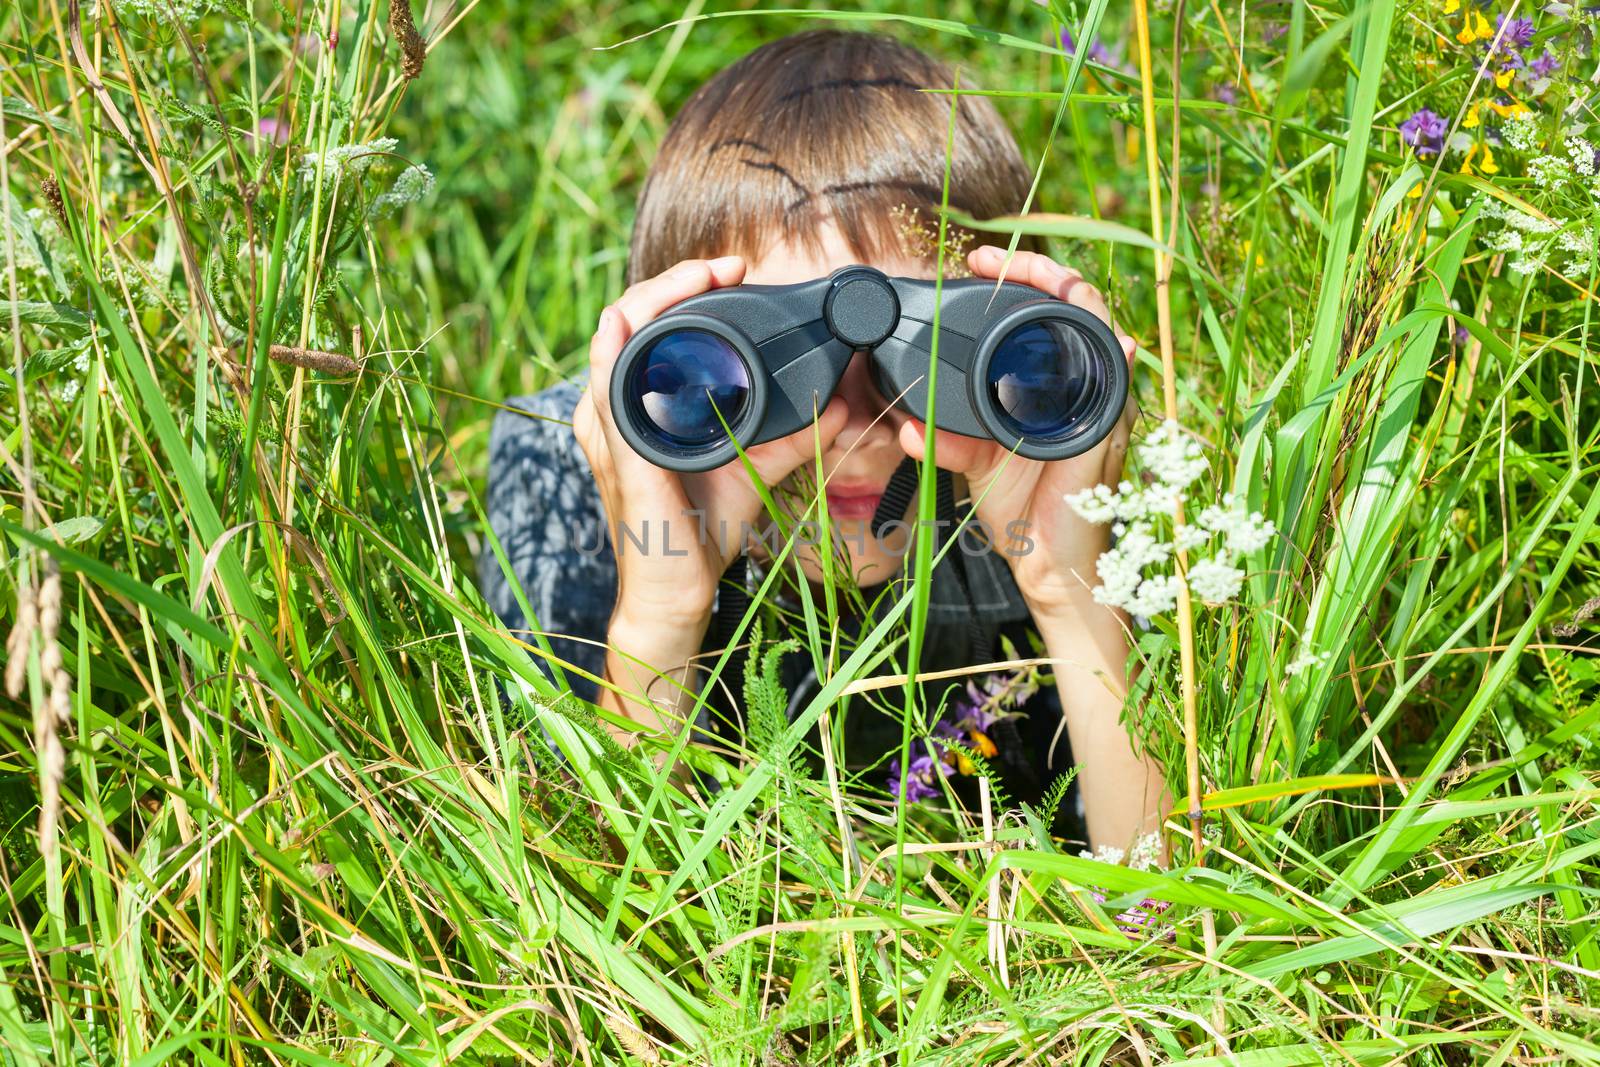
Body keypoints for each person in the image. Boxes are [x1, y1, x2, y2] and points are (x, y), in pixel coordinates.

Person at [478, 29, 1168, 853]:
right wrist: (660, 614)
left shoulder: (1047, 471)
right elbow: (574, 925)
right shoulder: (567, 477)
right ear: (670, 345)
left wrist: (1071, 585)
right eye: (761, 367)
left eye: (922, 359)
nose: (855, 432)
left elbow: (1155, 912)